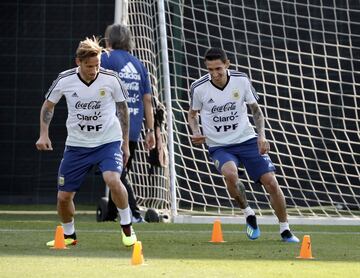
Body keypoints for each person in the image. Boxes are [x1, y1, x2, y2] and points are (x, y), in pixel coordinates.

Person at [188, 47, 299, 243]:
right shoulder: (199, 87)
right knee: (230, 174)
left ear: (227, 64)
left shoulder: (241, 80)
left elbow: (256, 110)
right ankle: (248, 213)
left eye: (218, 69)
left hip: (247, 139)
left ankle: (285, 229)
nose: (214, 74)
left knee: (271, 182)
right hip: (219, 145)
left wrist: (262, 136)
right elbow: (192, 114)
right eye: (210, 69)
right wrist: (196, 132)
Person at [35, 36, 137, 247]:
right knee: (63, 197)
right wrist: (43, 134)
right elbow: (48, 106)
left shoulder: (111, 79)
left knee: (112, 179)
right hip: (77, 145)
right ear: (78, 62)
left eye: (97, 64)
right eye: (89, 66)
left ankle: (127, 227)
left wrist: (125, 144)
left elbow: (122, 109)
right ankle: (70, 236)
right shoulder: (65, 80)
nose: (94, 70)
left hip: (108, 141)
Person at [100, 23, 155, 223]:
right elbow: (147, 99)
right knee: (120, 171)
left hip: (110, 124)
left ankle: (134, 213)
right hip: (133, 126)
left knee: (117, 172)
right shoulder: (138, 64)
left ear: (108, 39)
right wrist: (150, 131)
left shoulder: (105, 58)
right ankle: (111, 215)